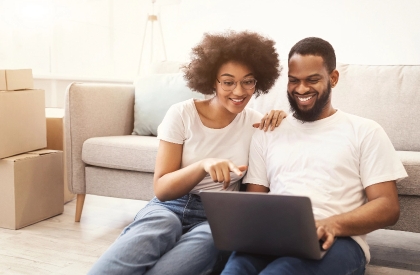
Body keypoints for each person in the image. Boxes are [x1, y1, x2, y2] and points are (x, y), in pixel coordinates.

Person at [88, 30, 286, 275]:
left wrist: (287, 120)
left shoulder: (257, 125)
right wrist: (203, 165)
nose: (239, 91)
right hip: (169, 205)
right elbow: (161, 189)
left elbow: (260, 191)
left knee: (198, 245)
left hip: (218, 215)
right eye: (228, 82)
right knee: (158, 227)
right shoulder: (181, 114)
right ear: (212, 81)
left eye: (248, 81)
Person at [221, 37, 408, 275]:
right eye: (293, 81)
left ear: (333, 78)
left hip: (339, 239)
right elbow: (255, 202)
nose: (301, 89)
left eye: (312, 79)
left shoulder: (365, 131)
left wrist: (329, 224)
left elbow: (388, 207)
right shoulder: (267, 132)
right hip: (274, 236)